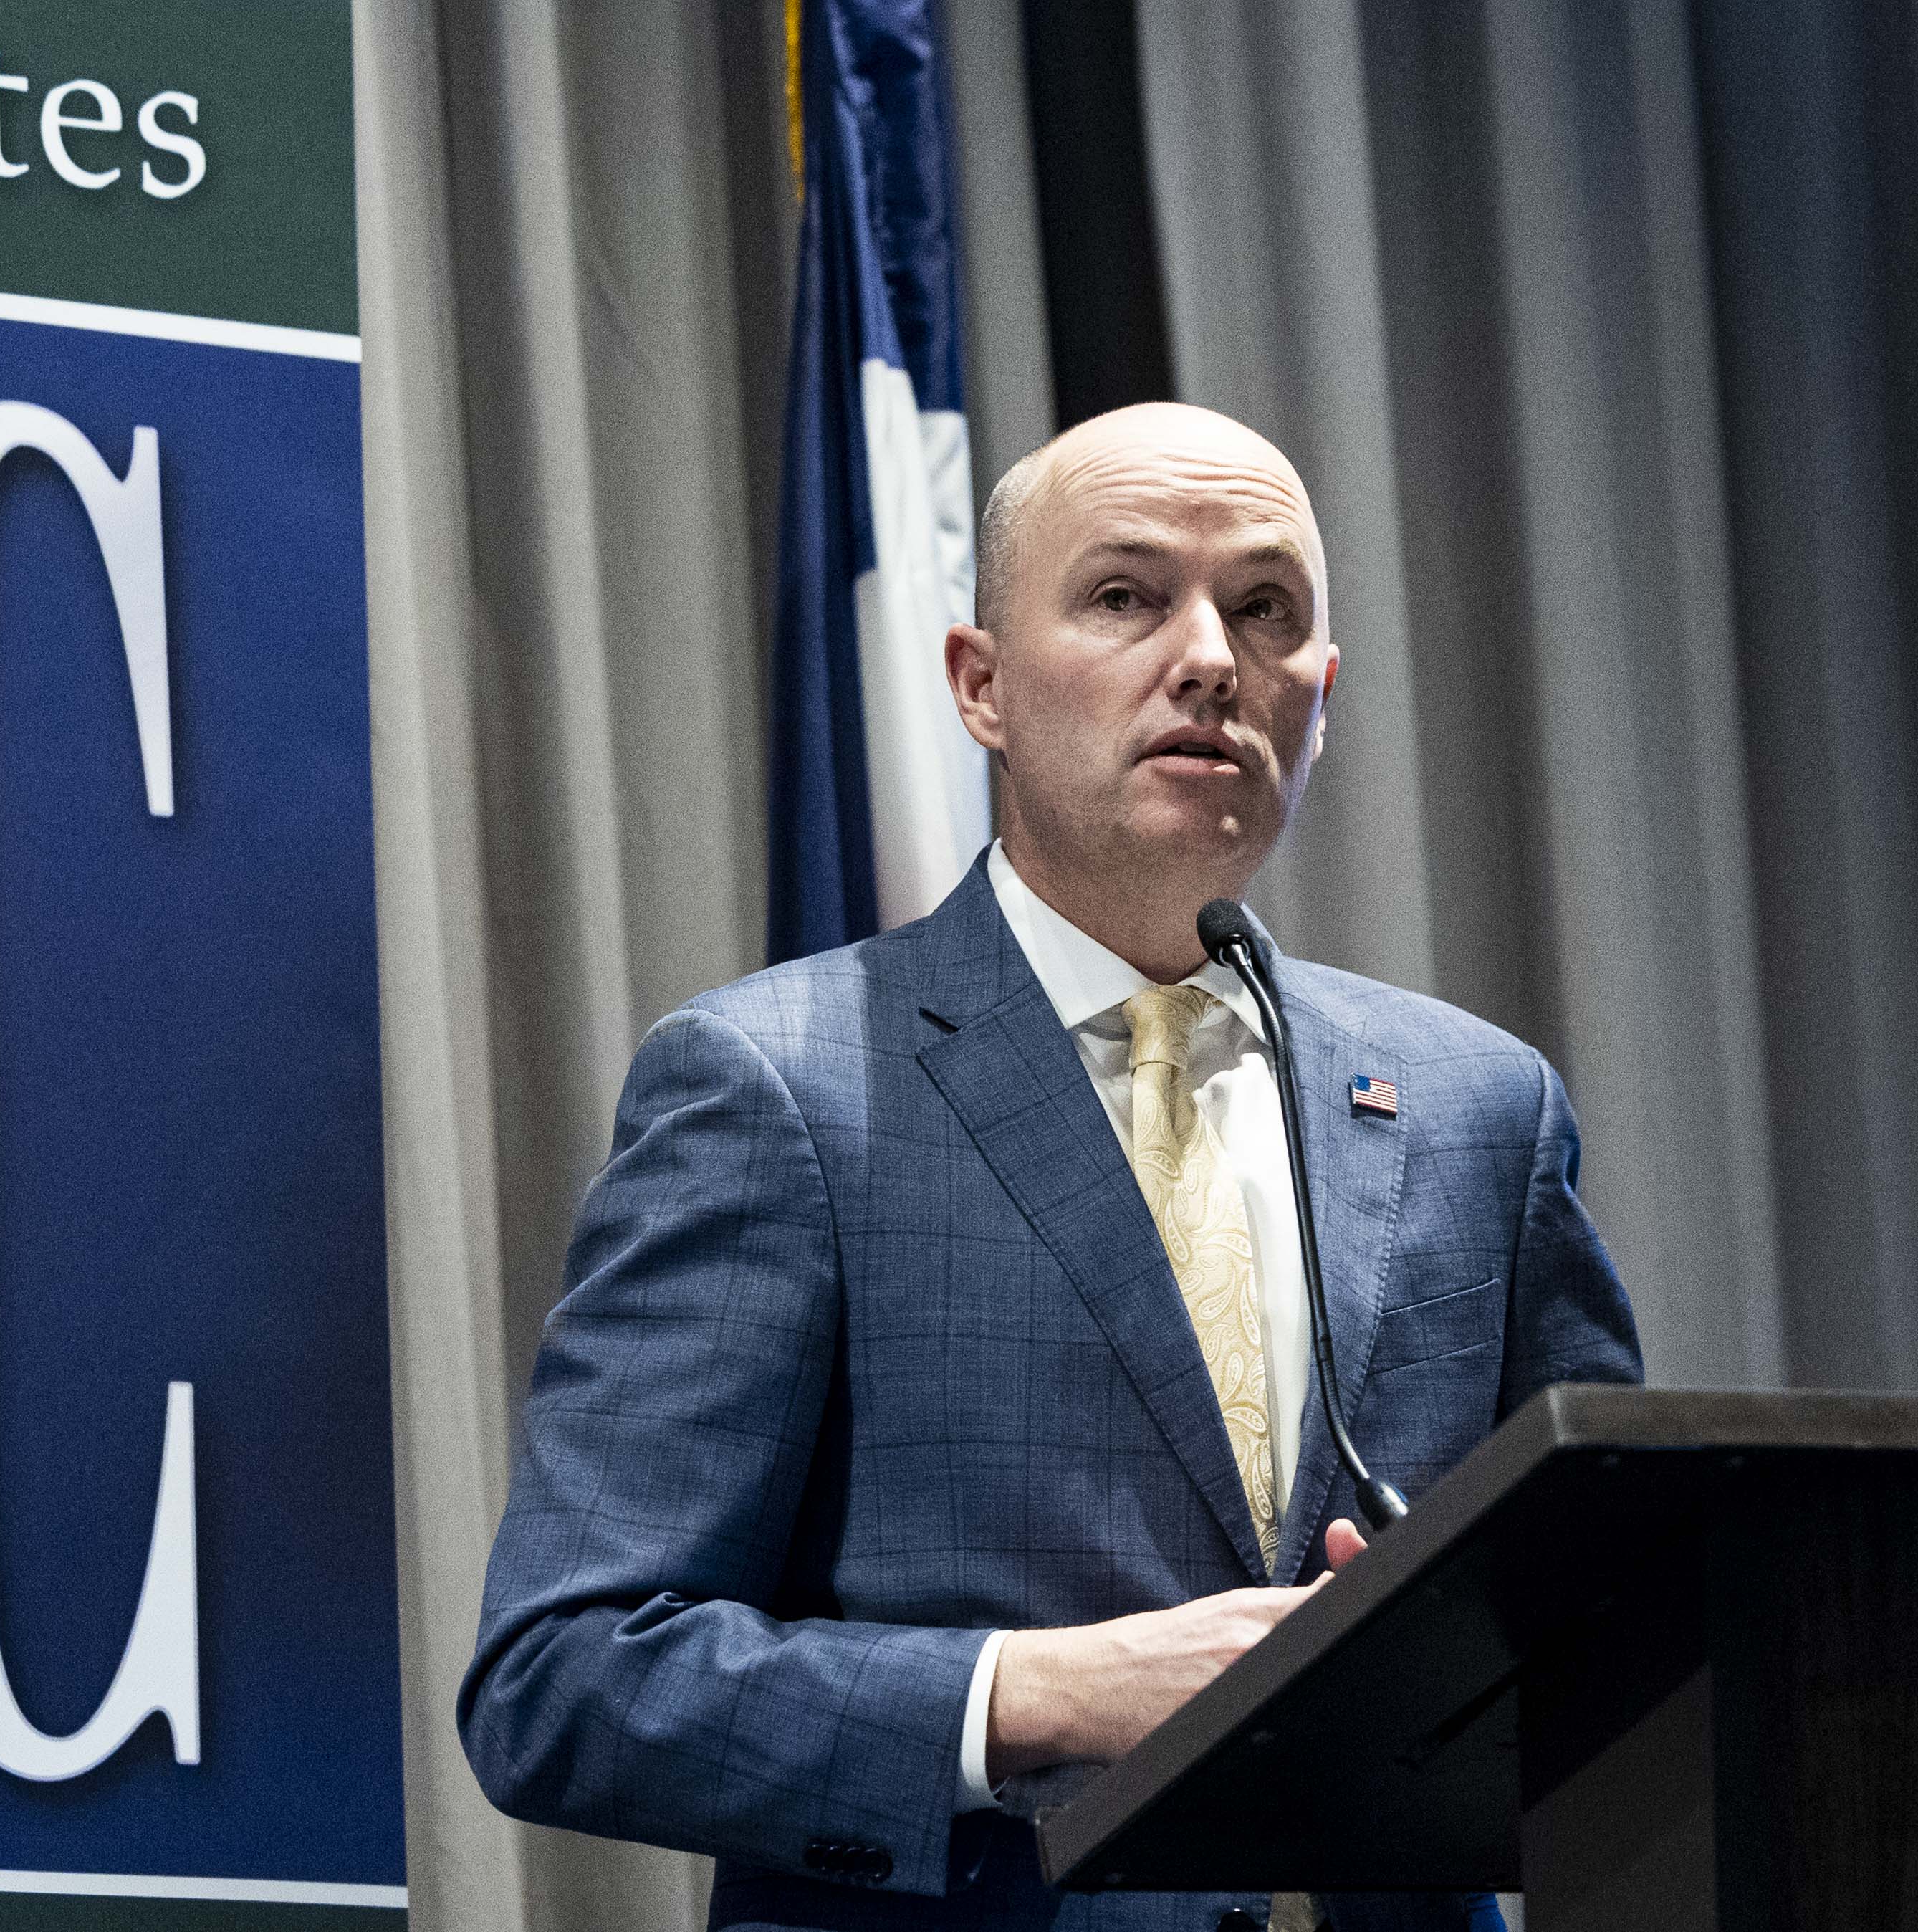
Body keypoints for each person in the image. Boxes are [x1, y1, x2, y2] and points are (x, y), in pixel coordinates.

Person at [459, 403, 1641, 1931]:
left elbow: (1625, 1625)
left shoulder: (1483, 1103)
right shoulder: (779, 1083)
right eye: (1126, 597)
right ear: (981, 685)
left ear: (1321, 699)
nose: (1210, 655)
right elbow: (564, 1680)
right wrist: (1033, 1687)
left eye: (1265, 608)